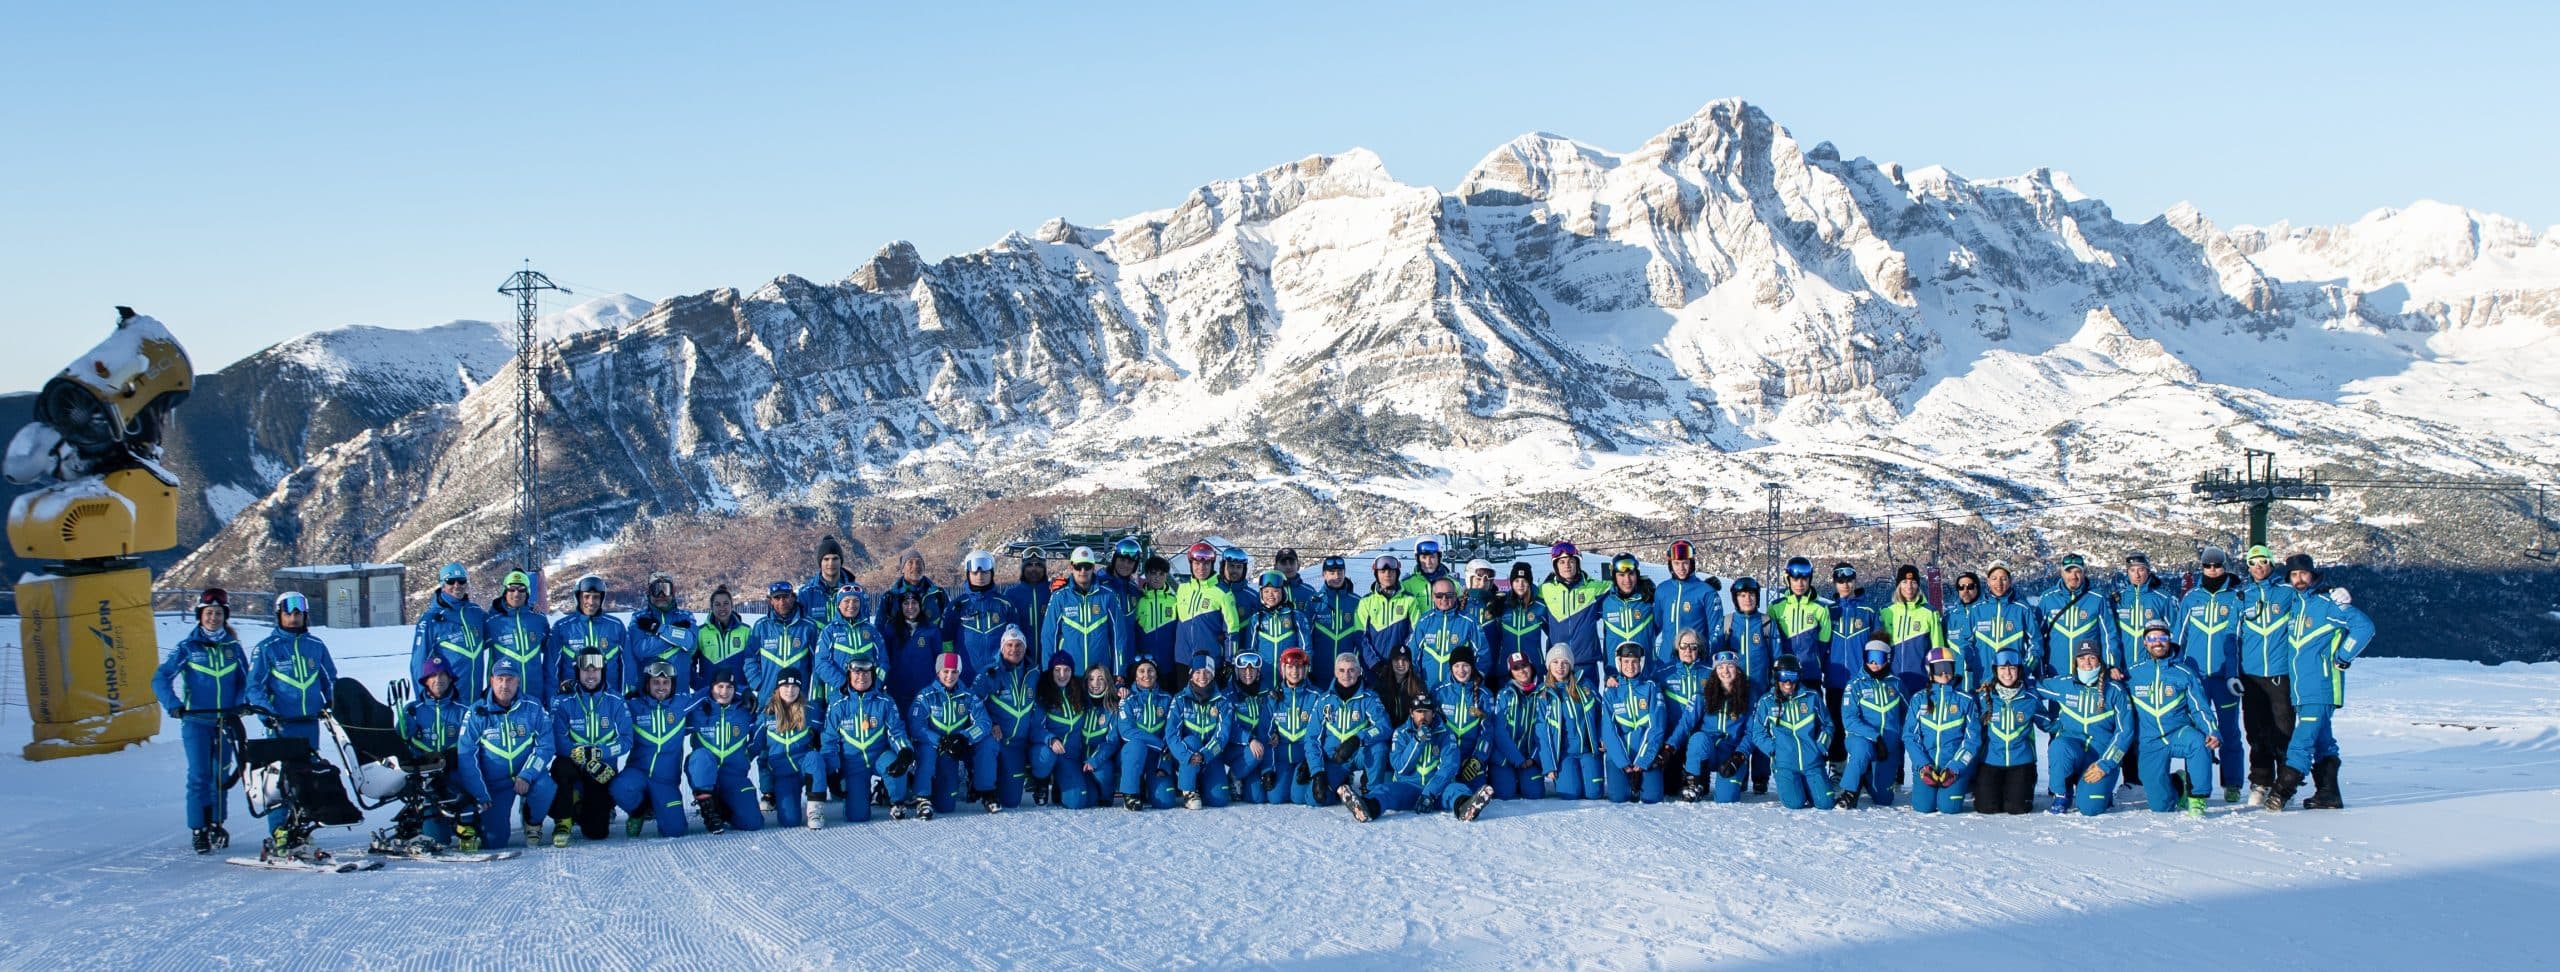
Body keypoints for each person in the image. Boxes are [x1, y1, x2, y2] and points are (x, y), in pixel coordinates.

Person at [2273, 558, 2375, 812]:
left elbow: (2364, 627)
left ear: (2313, 575)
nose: (2299, 579)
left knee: (2302, 740)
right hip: (2301, 689)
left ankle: (2282, 791)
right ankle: (2328, 793)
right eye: (2294, 574)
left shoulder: (2327, 603)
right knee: (2322, 741)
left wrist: (2343, 656)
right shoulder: (2296, 603)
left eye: (2303, 573)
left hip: (2320, 686)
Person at [155, 588, 251, 852]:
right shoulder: (188, 647)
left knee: (220, 775)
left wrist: (240, 704)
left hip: (225, 722)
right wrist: (174, 705)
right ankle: (199, 828)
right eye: (209, 613)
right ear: (200, 615)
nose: (213, 618)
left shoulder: (233, 648)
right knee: (199, 775)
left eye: (218, 613)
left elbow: (246, 681)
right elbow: (160, 678)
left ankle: (217, 824)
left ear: (225, 616)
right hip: (196, 721)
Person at [247, 591, 339, 846]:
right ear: (279, 615)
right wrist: (267, 713)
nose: (294, 618)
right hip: (281, 725)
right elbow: (253, 687)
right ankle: (280, 830)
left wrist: (332, 703)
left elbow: (330, 679)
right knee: (280, 778)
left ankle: (302, 826)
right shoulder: (268, 648)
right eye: (289, 613)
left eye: (299, 613)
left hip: (309, 723)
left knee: (308, 776)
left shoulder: (316, 645)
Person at [455, 658, 557, 849]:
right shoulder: (477, 712)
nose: (504, 685)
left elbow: (546, 746)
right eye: (500, 679)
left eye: (510, 679)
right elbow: (466, 756)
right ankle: (479, 825)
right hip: (495, 784)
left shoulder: (533, 707)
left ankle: (532, 821)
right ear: (492, 680)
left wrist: (527, 774)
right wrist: (480, 793)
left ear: (518, 681)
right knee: (495, 842)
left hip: (527, 777)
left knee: (545, 786)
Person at [1341, 696, 1495, 822]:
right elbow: (1400, 767)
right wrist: (1417, 742)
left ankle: (1465, 807)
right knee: (1385, 790)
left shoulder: (1446, 734)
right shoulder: (1401, 733)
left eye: (1427, 712)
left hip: (1436, 791)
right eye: (1419, 712)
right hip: (1408, 786)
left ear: (1433, 713)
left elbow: (1450, 767)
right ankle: (1367, 808)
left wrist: (1429, 793)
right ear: (1411, 713)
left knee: (1457, 789)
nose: (1423, 716)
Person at [2125, 620, 2220, 816]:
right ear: (2145, 642)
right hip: (2149, 740)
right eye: (2152, 638)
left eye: (2162, 637)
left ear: (2169, 640)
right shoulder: (2133, 673)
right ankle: (2178, 783)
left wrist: (2211, 730)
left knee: (2199, 743)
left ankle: (2197, 797)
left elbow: (2200, 707)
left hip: (2178, 732)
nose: (2158, 642)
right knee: (2160, 806)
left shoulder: (2184, 672)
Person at [2177, 546, 2248, 803]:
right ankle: (2196, 784)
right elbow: (2179, 636)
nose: (2213, 569)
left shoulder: (2236, 597)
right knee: (2198, 732)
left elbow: (2239, 638)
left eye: (2217, 565)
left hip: (2224, 677)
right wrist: (2176, 668)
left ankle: (2232, 783)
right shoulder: (2192, 598)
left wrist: (2234, 672)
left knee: (2229, 731)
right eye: (2208, 565)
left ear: (2224, 567)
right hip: (2196, 678)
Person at [2235, 544, 2303, 802]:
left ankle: (2285, 784)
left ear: (2272, 563)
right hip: (2251, 676)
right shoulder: (2243, 595)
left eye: (2263, 561)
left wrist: (2331, 592)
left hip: (2280, 673)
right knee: (2256, 732)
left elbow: (2309, 599)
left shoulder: (2287, 592)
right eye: (2253, 563)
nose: (2258, 567)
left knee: (2283, 731)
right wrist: (2232, 673)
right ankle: (2260, 782)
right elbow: (2231, 636)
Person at [546, 648, 633, 845]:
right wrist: (585, 759)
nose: (591, 675)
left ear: (603, 671)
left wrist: (601, 752)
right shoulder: (564, 700)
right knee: (561, 767)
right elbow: (558, 740)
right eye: (585, 670)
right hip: (573, 764)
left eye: (596, 670)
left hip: (602, 768)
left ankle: (579, 804)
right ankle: (563, 820)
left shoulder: (615, 700)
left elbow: (626, 740)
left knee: (597, 832)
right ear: (577, 672)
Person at [394, 655, 481, 849]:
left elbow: (473, 742)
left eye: (443, 675)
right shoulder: (413, 709)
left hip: (455, 770)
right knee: (437, 839)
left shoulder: (464, 709)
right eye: (432, 676)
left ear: (450, 678)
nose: (438, 680)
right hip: (427, 777)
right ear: (425, 681)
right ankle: (429, 826)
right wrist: (403, 728)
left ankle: (466, 828)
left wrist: (454, 756)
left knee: (466, 794)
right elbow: (400, 740)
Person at [2038, 642, 2132, 816]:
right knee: (2059, 746)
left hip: (2099, 758)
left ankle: (2101, 792)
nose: (2087, 663)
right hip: (2072, 751)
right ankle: (2062, 793)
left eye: (2092, 657)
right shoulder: (2065, 684)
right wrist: (2048, 722)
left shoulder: (2115, 690)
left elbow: (2125, 732)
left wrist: (2106, 764)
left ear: (2100, 661)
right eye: (2082, 658)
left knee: (2090, 808)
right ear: (2075, 662)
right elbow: (2031, 689)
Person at [821, 659, 919, 822]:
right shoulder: (838, 704)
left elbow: (896, 731)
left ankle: (897, 801)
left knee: (895, 764)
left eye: (866, 673)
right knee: (857, 816)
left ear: (873, 675)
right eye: (857, 673)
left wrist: (905, 750)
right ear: (849, 675)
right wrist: (833, 771)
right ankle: (864, 794)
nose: (862, 677)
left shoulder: (884, 701)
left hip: (879, 756)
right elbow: (829, 741)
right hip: (853, 763)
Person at [611, 659, 696, 838]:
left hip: (665, 781)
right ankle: (638, 812)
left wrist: (743, 693)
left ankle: (657, 804)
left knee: (675, 831)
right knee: (619, 788)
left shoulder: (682, 704)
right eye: (656, 682)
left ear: (672, 685)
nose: (661, 687)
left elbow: (712, 693)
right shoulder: (634, 705)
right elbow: (607, 702)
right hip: (638, 772)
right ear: (647, 684)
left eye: (666, 682)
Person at [910, 651, 997, 818]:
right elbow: (916, 726)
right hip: (934, 746)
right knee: (926, 752)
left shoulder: (968, 695)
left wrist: (965, 737)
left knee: (946, 806)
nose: (950, 676)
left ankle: (982, 789)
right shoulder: (926, 695)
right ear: (938, 672)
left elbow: (984, 722)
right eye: (946, 671)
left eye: (954, 671)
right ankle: (922, 797)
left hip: (954, 750)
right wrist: (939, 740)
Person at [1715, 577, 1780, 792]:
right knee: (1737, 729)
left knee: (1760, 729)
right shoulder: (1728, 623)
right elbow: (1717, 655)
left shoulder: (1766, 623)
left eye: (1751, 595)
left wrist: (1775, 686)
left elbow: (1776, 657)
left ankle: (1761, 777)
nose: (1747, 599)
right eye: (1742, 595)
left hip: (1761, 688)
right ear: (1735, 599)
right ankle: (1740, 772)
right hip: (1735, 690)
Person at [1028, 661, 1118, 810]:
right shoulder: (1080, 698)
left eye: (1101, 678)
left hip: (1095, 758)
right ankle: (1057, 783)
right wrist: (1051, 739)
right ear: (1085, 681)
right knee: (1078, 801)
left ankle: (1104, 795)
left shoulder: (1113, 707)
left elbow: (1112, 741)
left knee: (1093, 794)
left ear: (1107, 681)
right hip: (1077, 757)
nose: (1095, 683)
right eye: (1091, 679)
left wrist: (1095, 760)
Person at [684, 667, 764, 834]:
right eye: (719, 686)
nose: (724, 692)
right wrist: (703, 695)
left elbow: (762, 726)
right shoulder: (699, 710)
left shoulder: (745, 710)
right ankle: (708, 808)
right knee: (701, 756)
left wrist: (746, 755)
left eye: (729, 687)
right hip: (706, 772)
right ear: (711, 687)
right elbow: (675, 712)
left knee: (753, 822)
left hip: (734, 775)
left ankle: (722, 809)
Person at [1748, 658, 1835, 810]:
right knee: (1794, 803)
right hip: (1785, 764)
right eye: (1783, 676)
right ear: (1776, 677)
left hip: (1812, 762)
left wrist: (1820, 747)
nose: (1788, 682)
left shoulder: (1811, 697)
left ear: (1799, 677)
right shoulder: (1767, 701)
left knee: (1825, 803)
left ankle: (1810, 786)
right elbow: (1758, 733)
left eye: (1792, 676)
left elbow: (1827, 725)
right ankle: (1797, 787)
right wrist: (1774, 750)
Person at [1902, 647, 1980, 814]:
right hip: (1927, 767)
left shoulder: (1965, 700)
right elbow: (1910, 736)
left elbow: (1972, 740)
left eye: (1948, 667)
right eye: (1938, 668)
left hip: (1953, 768)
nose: (1944, 673)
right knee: (1923, 807)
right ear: (1930, 671)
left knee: (1948, 808)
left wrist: (1955, 767)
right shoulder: (1919, 699)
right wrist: (1923, 766)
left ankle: (1961, 784)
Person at [972, 625, 1043, 809]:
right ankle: (986, 790)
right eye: (1009, 645)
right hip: (996, 737)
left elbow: (1040, 705)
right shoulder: (990, 672)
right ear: (1002, 647)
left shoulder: (1034, 672)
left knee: (1011, 801)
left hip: (1017, 745)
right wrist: (991, 723)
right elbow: (973, 702)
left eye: (1018, 645)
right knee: (986, 745)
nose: (1014, 649)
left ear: (1025, 648)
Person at [1043, 546, 1131, 686]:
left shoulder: (1107, 595)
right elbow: (1049, 637)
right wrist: (1048, 672)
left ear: (1093, 568)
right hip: (1069, 675)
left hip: (1100, 675)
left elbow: (1118, 636)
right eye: (1078, 566)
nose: (1083, 571)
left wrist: (1119, 671)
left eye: (1087, 566)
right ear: (1071, 567)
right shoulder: (1060, 597)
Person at [1311, 652, 1392, 802]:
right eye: (1341, 670)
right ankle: (1342, 782)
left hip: (1359, 754)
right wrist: (1317, 771)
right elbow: (1312, 738)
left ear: (1359, 671)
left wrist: (1358, 739)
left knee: (1379, 748)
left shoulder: (1369, 698)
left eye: (1351, 670)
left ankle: (1373, 795)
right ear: (1335, 672)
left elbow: (1384, 726)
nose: (1346, 675)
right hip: (1335, 758)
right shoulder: (1324, 700)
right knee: (1316, 799)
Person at [1836, 640, 1907, 809]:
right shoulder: (1855, 685)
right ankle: (1849, 791)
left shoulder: (1896, 684)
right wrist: (1875, 736)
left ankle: (1866, 777)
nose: (1874, 663)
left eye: (1878, 658)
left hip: (1887, 746)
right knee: (1862, 750)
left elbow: (1909, 714)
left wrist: (1898, 740)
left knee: (1884, 799)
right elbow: (1849, 720)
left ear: (1887, 659)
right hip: (1862, 739)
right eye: (1870, 657)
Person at [1953, 562, 2039, 695]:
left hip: (2012, 681)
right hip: (1983, 681)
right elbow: (1964, 641)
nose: (1999, 583)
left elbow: (2036, 645)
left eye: (2003, 578)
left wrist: (2024, 670)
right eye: (1994, 578)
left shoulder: (2022, 609)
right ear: (1988, 581)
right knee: (1984, 708)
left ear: (2010, 581)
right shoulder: (1977, 609)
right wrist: (1974, 665)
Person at [1973, 651, 2042, 815]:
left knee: (2017, 808)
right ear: (1995, 671)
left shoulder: (2030, 698)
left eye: (2012, 668)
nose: (2008, 673)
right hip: (1991, 760)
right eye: (2003, 668)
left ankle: (2020, 789)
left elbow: (2048, 723)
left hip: (2021, 760)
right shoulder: (1985, 697)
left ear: (2019, 670)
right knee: (1986, 807)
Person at [411, 563, 490, 704]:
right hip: (448, 701)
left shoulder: (475, 612)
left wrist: (528, 608)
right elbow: (418, 663)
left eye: (461, 581)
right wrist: (424, 701)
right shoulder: (430, 619)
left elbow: (499, 626)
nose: (456, 585)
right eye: (450, 581)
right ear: (442, 585)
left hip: (475, 699)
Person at [1599, 642, 1669, 804]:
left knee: (1652, 798)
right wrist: (1623, 763)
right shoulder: (1611, 692)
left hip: (1646, 755)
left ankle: (1644, 778)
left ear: (1641, 663)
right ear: (1619, 663)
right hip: (1620, 756)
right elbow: (1608, 730)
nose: (1630, 666)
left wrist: (1643, 762)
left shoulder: (1651, 688)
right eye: (1626, 662)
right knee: (1618, 798)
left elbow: (1657, 727)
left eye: (1634, 662)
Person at [1534, 646, 1605, 800]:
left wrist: (1602, 736)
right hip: (1564, 755)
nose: (1560, 666)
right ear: (1549, 665)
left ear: (1570, 665)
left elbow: (1602, 713)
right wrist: (1549, 765)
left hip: (1588, 751)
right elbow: (1541, 733)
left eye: (1564, 662)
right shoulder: (1543, 694)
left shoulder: (1585, 685)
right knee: (1570, 794)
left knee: (1594, 794)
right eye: (1555, 662)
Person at [1683, 651, 1754, 803]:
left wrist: (1740, 756)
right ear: (1715, 671)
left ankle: (1735, 780)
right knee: (1698, 738)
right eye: (1720, 667)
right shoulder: (1704, 694)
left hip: (1732, 755)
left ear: (1737, 669)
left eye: (1730, 666)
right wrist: (1669, 748)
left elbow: (1751, 732)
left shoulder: (1748, 696)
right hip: (1709, 750)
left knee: (1725, 799)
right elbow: (1685, 724)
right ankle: (1695, 782)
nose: (1725, 671)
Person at [1166, 653, 1235, 809]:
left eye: (1207, 672)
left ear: (1213, 674)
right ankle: (1188, 790)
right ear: (1191, 674)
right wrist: (1187, 756)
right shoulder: (1180, 699)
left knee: (1219, 800)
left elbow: (1222, 736)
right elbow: (1171, 734)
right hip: (1186, 755)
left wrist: (1205, 755)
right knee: (1191, 741)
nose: (1202, 677)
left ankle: (1202, 783)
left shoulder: (1222, 701)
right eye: (1197, 672)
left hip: (1211, 756)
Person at [2036, 554, 2120, 681]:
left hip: (2089, 673)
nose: (2073, 576)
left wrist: (2111, 665)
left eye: (2078, 572)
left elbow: (2109, 635)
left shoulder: (2097, 598)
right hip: (2056, 673)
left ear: (2084, 573)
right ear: (2062, 572)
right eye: (2069, 571)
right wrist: (2039, 670)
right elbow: (2037, 637)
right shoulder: (2048, 598)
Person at [551, 574, 637, 698]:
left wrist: (625, 695)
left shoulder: (615, 626)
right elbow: (551, 668)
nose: (591, 602)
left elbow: (627, 664)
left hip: (609, 699)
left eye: (596, 597)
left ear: (602, 599)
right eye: (586, 597)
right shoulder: (562, 627)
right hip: (573, 700)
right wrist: (553, 699)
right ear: (578, 597)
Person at [481, 570, 555, 708]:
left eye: (521, 590)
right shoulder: (493, 621)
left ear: (527, 593)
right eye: (512, 589)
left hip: (535, 695)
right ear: (505, 591)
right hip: (504, 697)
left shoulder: (538, 619)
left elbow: (551, 652)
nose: (516, 594)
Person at [1653, 630, 1714, 799]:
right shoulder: (1664, 673)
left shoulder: (1709, 672)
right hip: (1672, 739)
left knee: (1703, 789)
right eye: (1684, 646)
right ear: (1677, 648)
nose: (1688, 651)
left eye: (1693, 647)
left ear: (1699, 649)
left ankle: (1696, 773)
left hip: (1697, 740)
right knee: (1670, 789)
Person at [758, 673, 823, 829]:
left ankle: (815, 810)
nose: (790, 690)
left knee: (814, 757)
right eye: (785, 686)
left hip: (805, 767)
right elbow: (757, 748)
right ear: (778, 689)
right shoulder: (767, 714)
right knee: (790, 821)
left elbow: (827, 735)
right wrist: (767, 787)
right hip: (783, 774)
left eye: (794, 686)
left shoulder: (810, 710)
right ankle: (780, 798)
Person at [1113, 658, 1180, 810]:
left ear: (1156, 674)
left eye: (1150, 671)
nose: (1146, 675)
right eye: (1141, 671)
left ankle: (1150, 786)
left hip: (1157, 756)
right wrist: (1160, 745)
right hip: (1133, 755)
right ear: (1136, 676)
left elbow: (1171, 731)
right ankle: (1130, 793)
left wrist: (1164, 762)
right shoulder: (1128, 698)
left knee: (1166, 801)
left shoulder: (1167, 699)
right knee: (1136, 745)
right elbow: (1126, 731)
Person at [946, 551, 1023, 681]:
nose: (980, 576)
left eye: (985, 573)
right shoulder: (957, 606)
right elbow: (947, 641)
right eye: (975, 573)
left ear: (992, 573)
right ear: (968, 574)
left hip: (999, 676)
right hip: (966, 676)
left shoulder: (1005, 604)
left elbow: (1015, 640)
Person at [1263, 648, 1325, 806]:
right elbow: (1265, 732)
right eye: (1290, 667)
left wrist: (1312, 763)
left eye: (1299, 667)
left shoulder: (1316, 696)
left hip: (1304, 758)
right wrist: (1267, 769)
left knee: (1298, 798)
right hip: (1282, 758)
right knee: (1275, 798)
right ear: (1283, 669)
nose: (1294, 672)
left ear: (1306, 669)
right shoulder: (1274, 697)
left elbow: (1323, 733)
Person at [1538, 542, 1608, 680]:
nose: (1567, 566)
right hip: (1558, 663)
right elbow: (1524, 597)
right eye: (1562, 562)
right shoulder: (1544, 590)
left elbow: (1620, 587)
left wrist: (1643, 585)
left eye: (1571, 561)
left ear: (1577, 563)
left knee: (1588, 695)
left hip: (1585, 662)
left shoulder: (1594, 588)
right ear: (1556, 566)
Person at [1175, 542, 1242, 679]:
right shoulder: (1182, 589)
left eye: (1206, 564)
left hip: (1209, 660)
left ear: (1212, 564)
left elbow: (1232, 630)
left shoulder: (1223, 592)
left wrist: (1230, 660)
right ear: (1191, 564)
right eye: (1197, 563)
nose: (1201, 568)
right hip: (1183, 659)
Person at [1878, 565, 1947, 697]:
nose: (1909, 587)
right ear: (1898, 586)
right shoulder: (1886, 611)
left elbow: (1938, 649)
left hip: (1920, 681)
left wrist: (1937, 679)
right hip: (1891, 681)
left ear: (1918, 586)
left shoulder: (1929, 612)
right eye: (1904, 582)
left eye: (1913, 582)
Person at [1411, 578, 1490, 689]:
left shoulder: (1469, 622)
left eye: (1449, 595)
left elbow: (1483, 653)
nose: (1444, 599)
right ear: (1433, 596)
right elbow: (1413, 655)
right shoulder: (1424, 621)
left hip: (1457, 689)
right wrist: (1415, 681)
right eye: (1439, 595)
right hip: (1428, 687)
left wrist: (1477, 677)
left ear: (1455, 596)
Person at [1487, 651, 1546, 800]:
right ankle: (1508, 776)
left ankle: (1521, 778)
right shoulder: (1504, 694)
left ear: (1531, 667)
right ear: (1511, 672)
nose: (1521, 671)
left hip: (1529, 757)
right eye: (1516, 668)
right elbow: (1499, 732)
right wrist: (1517, 759)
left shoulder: (1542, 693)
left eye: (1524, 666)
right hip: (1506, 756)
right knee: (1505, 793)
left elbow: (1545, 730)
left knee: (1535, 793)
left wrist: (1533, 758)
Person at [629, 573, 698, 695]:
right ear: (649, 592)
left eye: (666, 589)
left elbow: (690, 643)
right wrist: (677, 636)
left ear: (673, 592)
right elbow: (640, 649)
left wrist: (658, 628)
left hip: (679, 694)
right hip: (647, 694)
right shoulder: (638, 618)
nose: (661, 595)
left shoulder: (686, 616)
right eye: (656, 590)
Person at [1770, 558, 1831, 694]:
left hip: (1810, 673)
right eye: (1795, 579)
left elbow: (1823, 644)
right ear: (1788, 579)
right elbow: (1772, 642)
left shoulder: (1820, 608)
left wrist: (1814, 662)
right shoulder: (1776, 607)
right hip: (1784, 674)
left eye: (1804, 579)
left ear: (1810, 579)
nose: (1800, 583)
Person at [1654, 540, 1721, 663]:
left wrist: (1711, 661)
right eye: (1676, 563)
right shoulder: (1662, 590)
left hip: (1696, 662)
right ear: (1670, 564)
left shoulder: (1706, 592)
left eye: (1685, 563)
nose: (1681, 568)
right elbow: (1653, 628)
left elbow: (1716, 631)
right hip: (1666, 662)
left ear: (1692, 563)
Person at [1355, 555, 1420, 674]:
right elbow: (1361, 637)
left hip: (1400, 667)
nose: (1387, 574)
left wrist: (1401, 658)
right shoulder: (1366, 602)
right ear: (1376, 574)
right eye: (1382, 571)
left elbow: (1415, 633)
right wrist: (1374, 664)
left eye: (1391, 571)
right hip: (1372, 669)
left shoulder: (1409, 600)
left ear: (1397, 573)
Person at [1224, 651, 1275, 804]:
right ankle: (1234, 775)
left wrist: (1276, 733)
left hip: (1258, 749)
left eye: (1252, 668)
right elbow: (1229, 727)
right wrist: (1250, 739)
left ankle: (1246, 774)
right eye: (1243, 668)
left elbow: (1274, 717)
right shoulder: (1228, 694)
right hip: (1235, 748)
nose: (1248, 672)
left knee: (1257, 797)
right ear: (1236, 669)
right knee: (1255, 753)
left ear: (1258, 671)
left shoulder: (1266, 692)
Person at [1305, 554, 1365, 676]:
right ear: (1324, 574)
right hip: (1320, 670)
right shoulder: (1315, 602)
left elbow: (1362, 637)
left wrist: (1358, 663)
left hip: (1348, 672)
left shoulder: (1357, 602)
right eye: (1332, 573)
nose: (1337, 576)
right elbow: (1306, 637)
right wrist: (1308, 665)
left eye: (1340, 572)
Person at [1597, 554, 1660, 671]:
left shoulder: (1649, 598)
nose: (1627, 580)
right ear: (1614, 577)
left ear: (1637, 575)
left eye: (1631, 574)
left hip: (1646, 672)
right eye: (1621, 575)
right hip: (1615, 674)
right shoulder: (1605, 600)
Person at [1487, 562, 1551, 676]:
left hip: (1534, 667)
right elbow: (1492, 635)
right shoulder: (1502, 604)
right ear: (1511, 583)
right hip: (1506, 667)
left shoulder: (1540, 606)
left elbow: (1554, 634)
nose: (1520, 585)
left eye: (1524, 581)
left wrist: (1550, 658)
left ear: (1529, 583)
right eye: (1516, 581)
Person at [1241, 570, 1310, 673]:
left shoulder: (1295, 616)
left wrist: (1305, 671)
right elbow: (1250, 650)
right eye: (1266, 591)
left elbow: (1305, 648)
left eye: (1275, 591)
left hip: (1290, 675)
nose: (1270, 595)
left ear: (1283, 591)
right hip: (1264, 675)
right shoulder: (1257, 619)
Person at [883, 590, 943, 708]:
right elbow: (885, 658)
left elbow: (939, 659)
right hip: (898, 690)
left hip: (925, 690)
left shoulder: (932, 630)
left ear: (920, 606)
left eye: (914, 603)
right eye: (906, 603)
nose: (910, 607)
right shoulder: (891, 630)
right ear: (900, 607)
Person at [692, 585, 754, 692]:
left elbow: (753, 662)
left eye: (726, 603)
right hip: (709, 694)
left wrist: (748, 688)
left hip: (739, 693)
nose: (722, 608)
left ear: (732, 605)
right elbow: (689, 663)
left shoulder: (746, 631)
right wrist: (699, 685)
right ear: (711, 607)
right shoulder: (700, 632)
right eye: (717, 604)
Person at [874, 550, 949, 633]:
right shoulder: (890, 598)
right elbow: (878, 630)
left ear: (924, 568)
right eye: (910, 562)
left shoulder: (938, 594)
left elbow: (949, 625)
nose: (915, 566)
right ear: (902, 569)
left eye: (919, 562)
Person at [1132, 554, 1180, 677]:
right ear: (1147, 575)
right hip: (1145, 666)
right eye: (1153, 573)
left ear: (1166, 576)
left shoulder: (1174, 601)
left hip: (1169, 664)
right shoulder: (1139, 600)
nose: (1157, 578)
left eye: (1161, 574)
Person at [798, 536, 858, 628]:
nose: (831, 563)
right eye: (826, 559)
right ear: (820, 562)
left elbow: (864, 626)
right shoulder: (806, 593)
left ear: (841, 561)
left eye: (835, 559)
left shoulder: (856, 592)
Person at [1002, 552, 1055, 646]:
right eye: (1029, 565)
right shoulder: (1011, 594)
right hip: (1021, 652)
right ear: (1023, 568)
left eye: (1038, 565)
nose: (1034, 569)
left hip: (1049, 651)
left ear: (1044, 568)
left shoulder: (1054, 591)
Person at [1370, 644, 1429, 725]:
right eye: (1396, 659)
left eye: (1405, 660)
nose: (1401, 663)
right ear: (1391, 662)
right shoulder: (1380, 684)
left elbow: (1423, 711)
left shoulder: (1418, 685)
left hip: (1409, 729)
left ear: (1410, 663)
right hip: (1386, 728)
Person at [1399, 537, 1456, 602]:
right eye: (1424, 557)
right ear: (1418, 559)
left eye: (1432, 557)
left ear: (1439, 557)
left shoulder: (1453, 584)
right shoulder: (1406, 585)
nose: (1428, 562)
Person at [1102, 537, 1145, 602]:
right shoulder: (1099, 586)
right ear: (1114, 560)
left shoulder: (1135, 590)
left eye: (1130, 562)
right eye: (1122, 560)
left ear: (1135, 566)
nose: (1125, 565)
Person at [1461, 559, 1500, 627]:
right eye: (1478, 579)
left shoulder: (1498, 604)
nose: (1482, 584)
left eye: (1486, 580)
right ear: (1469, 580)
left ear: (1491, 583)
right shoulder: (1458, 604)